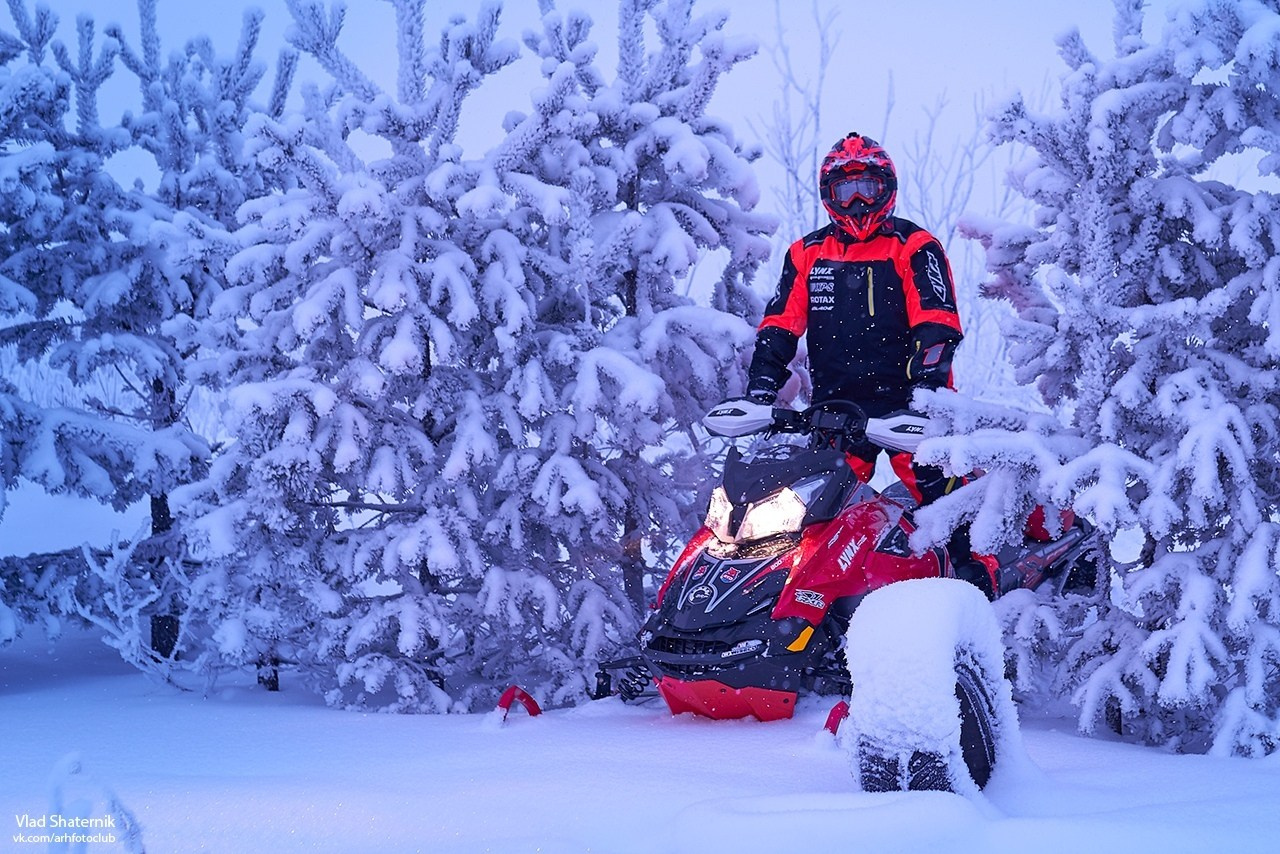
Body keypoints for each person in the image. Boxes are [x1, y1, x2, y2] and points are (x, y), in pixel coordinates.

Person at [744, 132, 995, 596]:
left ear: (887, 188)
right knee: (808, 511)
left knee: (946, 501)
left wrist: (927, 396)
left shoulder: (914, 245)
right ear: (828, 195)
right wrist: (762, 383)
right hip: (836, 410)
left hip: (908, 408)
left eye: (867, 187)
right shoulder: (807, 253)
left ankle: (982, 582)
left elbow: (938, 325)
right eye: (845, 190)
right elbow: (780, 324)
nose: (857, 200)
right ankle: (806, 604)